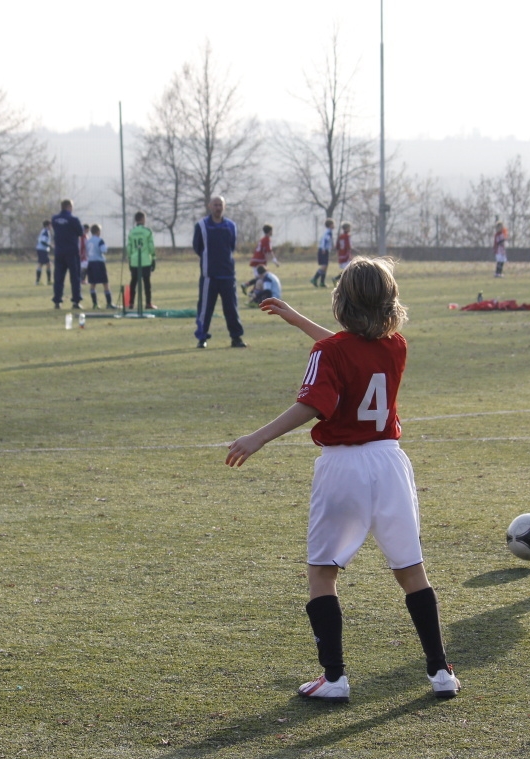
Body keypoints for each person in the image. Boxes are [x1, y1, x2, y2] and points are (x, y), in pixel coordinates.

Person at [225, 257, 459, 702]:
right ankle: (440, 672)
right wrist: (298, 320)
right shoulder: (396, 346)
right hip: (390, 463)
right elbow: (351, 351)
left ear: (341, 301)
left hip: (343, 466)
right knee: (411, 570)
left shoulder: (328, 353)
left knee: (322, 571)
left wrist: (258, 437)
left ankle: (333, 678)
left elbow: (315, 401)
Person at [192, 195, 245, 348]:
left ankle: (236, 338)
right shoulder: (201, 225)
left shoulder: (231, 226)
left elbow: (231, 246)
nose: (217, 208)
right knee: (205, 309)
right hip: (209, 275)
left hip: (227, 274)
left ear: (224, 207)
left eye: (220, 205)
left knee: (231, 308)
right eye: (215, 205)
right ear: (210, 206)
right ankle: (202, 338)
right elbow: (198, 247)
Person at [51, 199, 84, 310]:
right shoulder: (73, 219)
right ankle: (76, 301)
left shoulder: (54, 219)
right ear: (69, 206)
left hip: (59, 252)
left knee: (58, 277)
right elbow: (80, 232)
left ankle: (57, 301)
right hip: (72, 252)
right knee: (75, 277)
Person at [127, 211, 156, 311]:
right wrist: (153, 258)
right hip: (145, 261)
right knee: (146, 282)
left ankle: (131, 303)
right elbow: (151, 246)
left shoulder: (131, 232)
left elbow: (129, 247)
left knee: (133, 282)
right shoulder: (147, 231)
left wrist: (130, 259)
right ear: (143, 219)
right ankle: (148, 303)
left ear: (135, 220)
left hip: (134, 260)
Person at [86, 223, 113, 310]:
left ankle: (95, 304)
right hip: (99, 263)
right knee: (105, 283)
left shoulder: (88, 241)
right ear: (98, 231)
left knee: (92, 284)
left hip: (90, 263)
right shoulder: (100, 240)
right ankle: (109, 303)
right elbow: (104, 250)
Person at [310, 218, 336, 288]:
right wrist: (324, 248)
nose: (334, 225)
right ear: (330, 225)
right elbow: (324, 240)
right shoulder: (328, 232)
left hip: (325, 250)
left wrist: (331, 247)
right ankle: (314, 278)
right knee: (324, 266)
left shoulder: (329, 232)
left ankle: (322, 282)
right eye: (333, 224)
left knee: (326, 266)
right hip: (323, 250)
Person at [35, 221, 52, 286]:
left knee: (41, 264)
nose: (51, 226)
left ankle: (38, 281)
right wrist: (50, 245)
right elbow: (43, 241)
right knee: (47, 264)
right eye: (50, 225)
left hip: (41, 249)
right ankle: (47, 281)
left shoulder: (45, 231)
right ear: (47, 225)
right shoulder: (45, 232)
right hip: (42, 250)